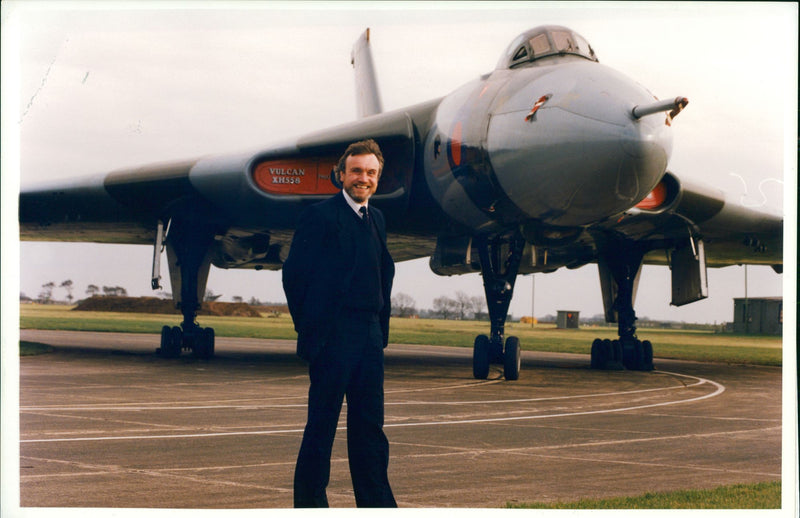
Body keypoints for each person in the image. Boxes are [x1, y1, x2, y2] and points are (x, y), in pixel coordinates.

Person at [282, 139, 397, 508]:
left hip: (369, 337)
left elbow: (383, 274)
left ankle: (377, 505)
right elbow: (294, 277)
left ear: (377, 178)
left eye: (371, 173)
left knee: (369, 429)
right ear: (341, 174)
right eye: (357, 171)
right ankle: (310, 506)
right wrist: (314, 331)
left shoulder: (376, 218)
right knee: (322, 427)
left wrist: (379, 332)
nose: (364, 178)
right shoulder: (319, 216)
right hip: (333, 337)